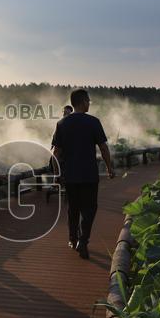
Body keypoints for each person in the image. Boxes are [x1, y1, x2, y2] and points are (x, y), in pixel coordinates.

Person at [50, 89, 116, 260]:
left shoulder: (62, 124)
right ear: (83, 101)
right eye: (88, 101)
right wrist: (109, 168)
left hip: (70, 175)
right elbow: (103, 148)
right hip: (89, 174)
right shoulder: (93, 122)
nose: (89, 104)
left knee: (73, 208)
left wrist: (57, 174)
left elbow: (56, 152)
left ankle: (73, 238)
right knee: (90, 208)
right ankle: (83, 241)